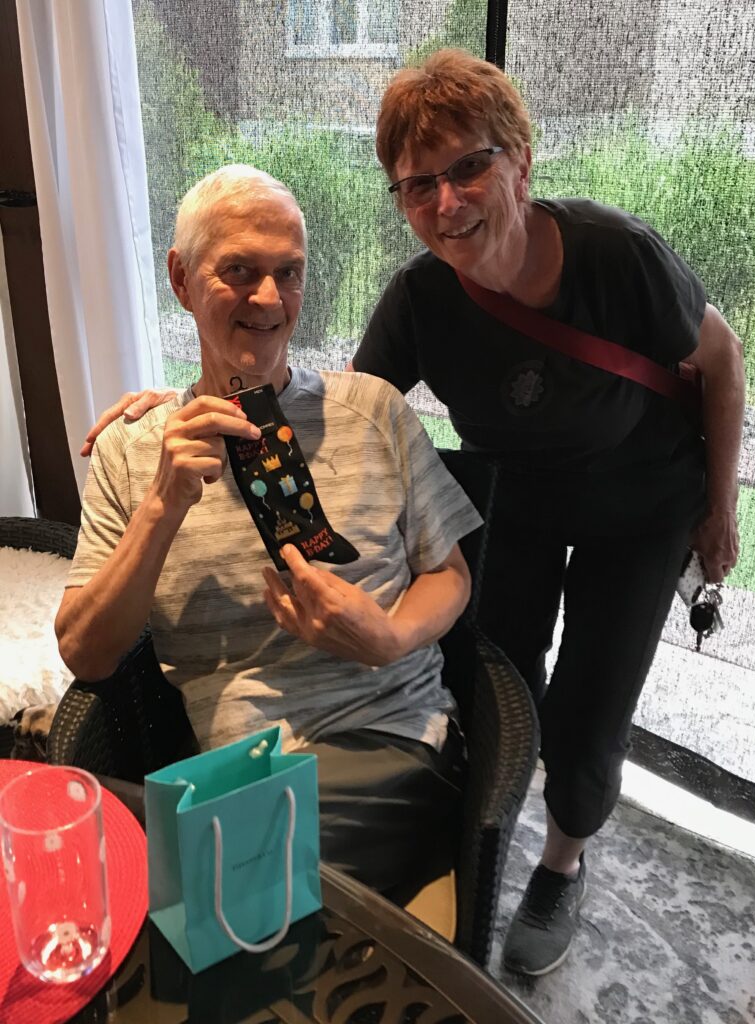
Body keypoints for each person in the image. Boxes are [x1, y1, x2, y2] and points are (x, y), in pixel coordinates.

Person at [83, 50, 745, 976]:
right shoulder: (424, 299)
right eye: (417, 183)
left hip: (642, 500)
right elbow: (323, 404)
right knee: (508, 671)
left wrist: (718, 508)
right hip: (520, 501)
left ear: (520, 159)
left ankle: (561, 861)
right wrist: (174, 402)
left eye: (469, 166)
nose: (447, 201)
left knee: (591, 708)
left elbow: (721, 360)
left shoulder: (614, 254)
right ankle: (456, 831)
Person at [56, 163, 483, 898]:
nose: (268, 298)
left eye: (288, 273)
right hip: (238, 775)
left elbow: (450, 573)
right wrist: (162, 507)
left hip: (389, 743)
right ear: (181, 279)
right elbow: (86, 655)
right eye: (239, 271)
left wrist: (390, 638)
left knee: (167, 883)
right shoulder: (134, 449)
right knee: (201, 886)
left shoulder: (374, 410)